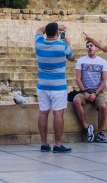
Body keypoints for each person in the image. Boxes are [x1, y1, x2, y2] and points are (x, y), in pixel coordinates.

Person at [35, 22, 75, 153]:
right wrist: (68, 43)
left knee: (43, 113)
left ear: (47, 32)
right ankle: (57, 144)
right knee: (58, 113)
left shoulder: (39, 43)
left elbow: (39, 30)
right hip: (58, 86)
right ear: (58, 33)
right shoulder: (63, 46)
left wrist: (52, 27)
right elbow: (72, 58)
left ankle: (44, 144)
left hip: (42, 85)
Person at [73, 40, 107, 143]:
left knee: (103, 107)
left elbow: (103, 81)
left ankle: (100, 133)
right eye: (87, 46)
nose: (89, 47)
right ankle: (87, 127)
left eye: (91, 45)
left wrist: (95, 93)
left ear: (96, 48)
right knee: (76, 101)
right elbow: (78, 79)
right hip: (84, 91)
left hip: (98, 92)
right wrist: (85, 92)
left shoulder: (103, 62)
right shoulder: (81, 61)